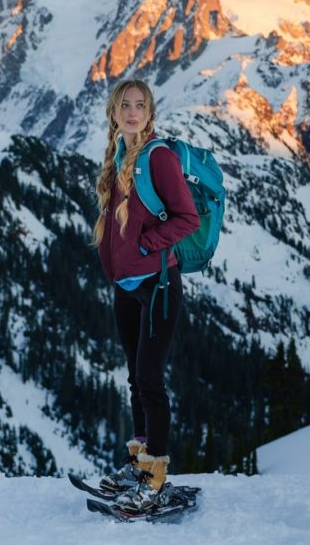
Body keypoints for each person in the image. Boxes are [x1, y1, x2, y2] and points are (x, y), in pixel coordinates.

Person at [91, 78, 199, 511]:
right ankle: (138, 463)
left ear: (150, 113)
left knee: (151, 380)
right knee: (136, 378)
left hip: (158, 286)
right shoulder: (118, 157)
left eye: (140, 105)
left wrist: (146, 246)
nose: (132, 112)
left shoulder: (159, 158)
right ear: (114, 114)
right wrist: (117, 265)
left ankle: (155, 474)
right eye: (125, 105)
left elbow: (186, 217)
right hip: (127, 286)